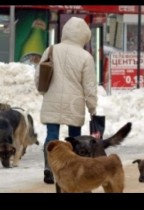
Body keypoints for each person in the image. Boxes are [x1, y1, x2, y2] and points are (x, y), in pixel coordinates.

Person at [35, 17, 98, 184]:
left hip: (52, 99)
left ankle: (50, 167)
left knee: (52, 136)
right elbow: (90, 86)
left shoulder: (51, 50)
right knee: (75, 138)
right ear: (84, 36)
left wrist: (42, 91)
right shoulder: (85, 57)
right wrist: (92, 107)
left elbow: (39, 74)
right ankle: (73, 169)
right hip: (75, 103)